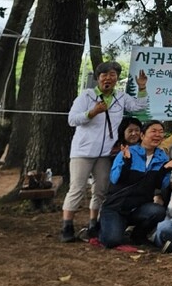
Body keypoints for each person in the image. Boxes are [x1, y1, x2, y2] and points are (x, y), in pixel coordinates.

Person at [63, 60, 148, 243]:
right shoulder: (86, 96)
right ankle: (67, 226)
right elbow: (72, 119)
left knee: (101, 190)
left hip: (105, 153)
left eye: (112, 75)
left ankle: (94, 224)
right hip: (82, 152)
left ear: (117, 78)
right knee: (76, 188)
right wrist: (92, 113)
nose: (108, 78)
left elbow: (138, 107)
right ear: (98, 78)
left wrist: (142, 88)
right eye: (104, 75)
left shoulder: (120, 97)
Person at [98, 120, 172, 250]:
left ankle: (138, 235)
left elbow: (161, 185)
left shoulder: (162, 157)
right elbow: (115, 178)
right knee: (112, 241)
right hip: (116, 206)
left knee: (158, 211)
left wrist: (166, 169)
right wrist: (126, 161)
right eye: (153, 131)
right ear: (142, 135)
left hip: (139, 208)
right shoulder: (129, 151)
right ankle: (104, 226)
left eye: (161, 132)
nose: (158, 135)